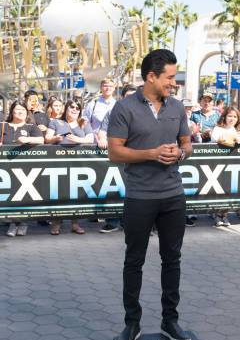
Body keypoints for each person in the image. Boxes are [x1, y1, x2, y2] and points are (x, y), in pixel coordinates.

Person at [108, 49, 193, 340]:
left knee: (173, 260)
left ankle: (170, 321)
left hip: (173, 196)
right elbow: (114, 151)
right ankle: (132, 325)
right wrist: (151, 153)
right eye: (170, 77)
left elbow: (187, 144)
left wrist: (179, 153)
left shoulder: (177, 107)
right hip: (139, 197)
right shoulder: (124, 107)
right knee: (134, 261)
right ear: (151, 76)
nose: (174, 82)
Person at [45, 99, 94, 235]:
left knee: (76, 193)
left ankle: (75, 224)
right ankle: (56, 223)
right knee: (58, 193)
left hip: (79, 163)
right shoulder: (55, 121)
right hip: (58, 162)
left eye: (77, 108)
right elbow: (47, 138)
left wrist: (78, 140)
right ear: (66, 108)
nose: (74, 110)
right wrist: (56, 138)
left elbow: (90, 139)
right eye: (71, 107)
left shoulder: (83, 122)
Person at [96, 85, 138, 234]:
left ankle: (134, 223)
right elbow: (102, 130)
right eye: (128, 96)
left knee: (136, 193)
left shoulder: (146, 113)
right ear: (122, 98)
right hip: (118, 157)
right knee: (114, 189)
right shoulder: (113, 111)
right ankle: (112, 222)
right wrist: (101, 138)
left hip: (137, 158)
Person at [0, 100, 44, 237]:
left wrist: (27, 139)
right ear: (12, 111)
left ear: (27, 113)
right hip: (6, 167)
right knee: (10, 194)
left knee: (24, 195)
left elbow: (41, 140)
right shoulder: (2, 125)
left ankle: (23, 223)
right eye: (17, 110)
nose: (19, 112)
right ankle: (12, 223)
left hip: (26, 168)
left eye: (22, 110)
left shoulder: (31, 126)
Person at [83, 79, 117, 144]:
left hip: (113, 144)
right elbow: (85, 123)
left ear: (114, 88)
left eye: (110, 86)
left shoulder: (118, 105)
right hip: (95, 144)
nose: (108, 88)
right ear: (101, 88)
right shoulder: (92, 105)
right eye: (105, 86)